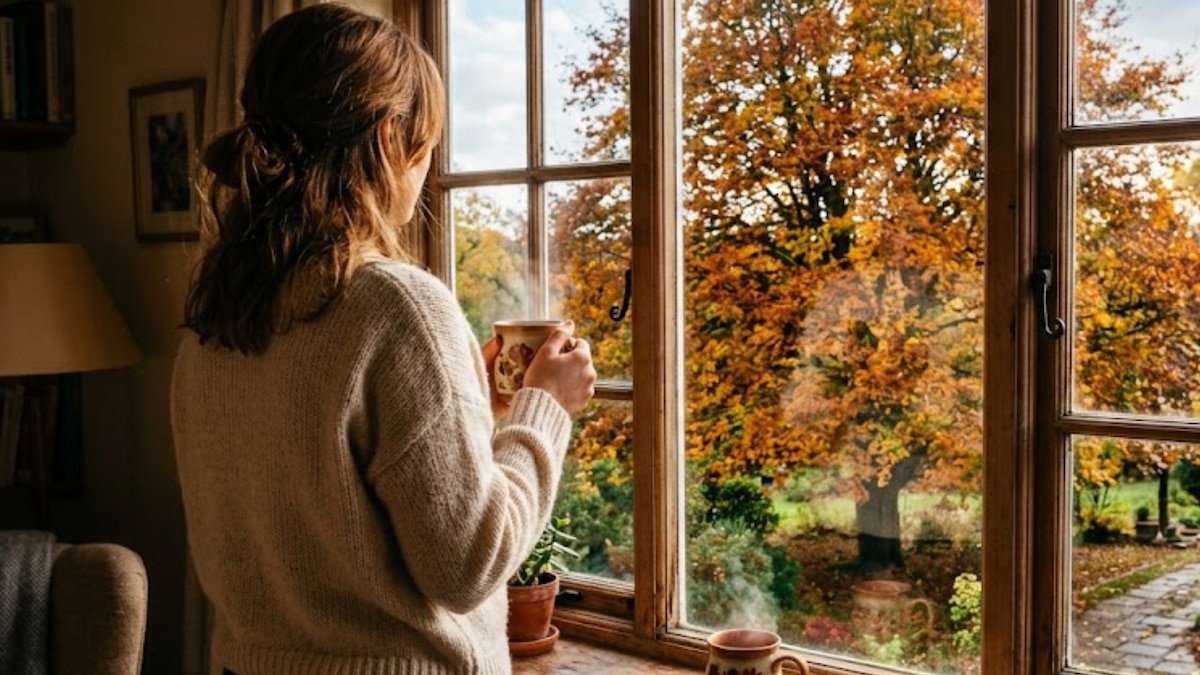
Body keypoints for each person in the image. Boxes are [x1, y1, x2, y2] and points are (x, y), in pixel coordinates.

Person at [169, 4, 596, 674]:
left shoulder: (212, 317)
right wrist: (545, 407)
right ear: (392, 137)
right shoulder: (398, 306)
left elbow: (325, 507)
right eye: (427, 145)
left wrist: (470, 413)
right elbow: (468, 565)